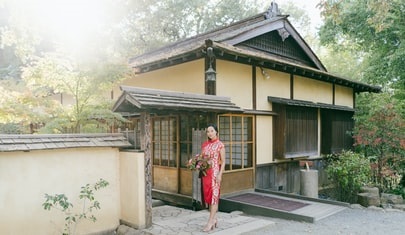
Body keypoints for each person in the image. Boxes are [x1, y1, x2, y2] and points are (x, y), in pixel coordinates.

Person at [201, 123, 226, 232]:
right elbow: (202, 159)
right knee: (208, 197)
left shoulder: (220, 145)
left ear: (216, 131)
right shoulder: (205, 145)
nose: (210, 133)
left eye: (212, 131)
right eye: (208, 131)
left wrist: (220, 174)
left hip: (215, 174)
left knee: (214, 197)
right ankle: (214, 219)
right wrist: (196, 164)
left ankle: (210, 221)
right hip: (206, 174)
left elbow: (223, 161)